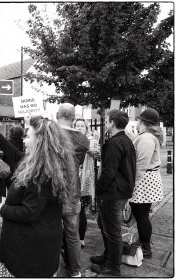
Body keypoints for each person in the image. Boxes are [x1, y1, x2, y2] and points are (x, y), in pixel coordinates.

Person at [0, 115, 78, 277]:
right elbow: (14, 154)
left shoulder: (41, 174)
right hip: (37, 250)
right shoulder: (43, 165)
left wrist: (2, 210)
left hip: (28, 256)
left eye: (28, 136)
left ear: (40, 142)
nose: (24, 141)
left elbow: (28, 212)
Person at [90, 110, 136, 276]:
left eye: (107, 121)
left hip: (112, 193)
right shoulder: (126, 141)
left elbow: (109, 172)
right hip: (120, 191)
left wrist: (99, 190)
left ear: (112, 123)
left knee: (112, 230)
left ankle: (113, 267)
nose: (105, 123)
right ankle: (108, 256)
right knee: (104, 224)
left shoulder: (114, 143)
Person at [57, 104, 90, 277]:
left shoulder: (50, 134)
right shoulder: (83, 139)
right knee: (72, 234)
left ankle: (52, 268)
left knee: (51, 230)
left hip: (53, 191)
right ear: (73, 117)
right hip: (72, 190)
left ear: (57, 114)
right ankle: (75, 270)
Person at [129, 108, 164, 258]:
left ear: (142, 122)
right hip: (146, 179)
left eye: (138, 120)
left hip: (144, 180)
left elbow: (141, 164)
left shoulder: (146, 138)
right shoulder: (145, 136)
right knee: (141, 214)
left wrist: (132, 185)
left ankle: (146, 247)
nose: (137, 122)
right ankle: (145, 242)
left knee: (141, 215)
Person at [74, 119, 101, 247]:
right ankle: (71, 238)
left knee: (81, 212)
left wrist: (95, 153)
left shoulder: (91, 141)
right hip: (72, 180)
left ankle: (81, 239)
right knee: (71, 211)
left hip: (85, 181)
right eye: (77, 125)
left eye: (82, 126)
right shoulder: (71, 140)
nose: (79, 127)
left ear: (86, 128)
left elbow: (98, 156)